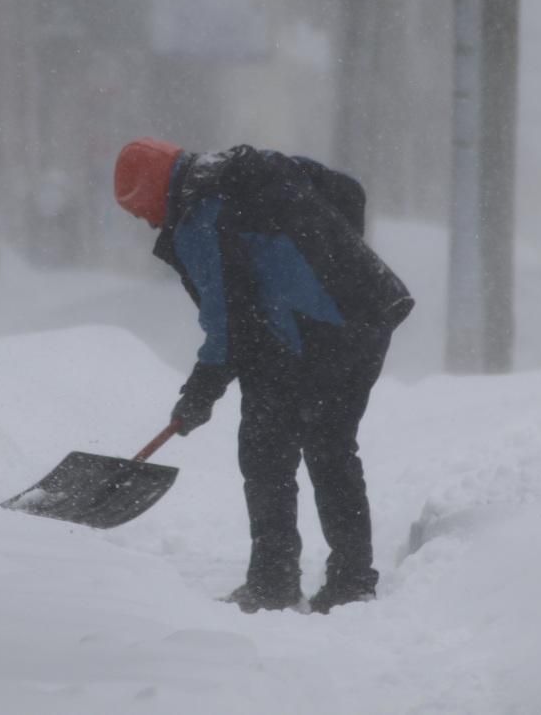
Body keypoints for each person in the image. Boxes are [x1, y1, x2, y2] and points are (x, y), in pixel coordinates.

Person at [113, 138, 414, 614]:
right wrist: (330, 271)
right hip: (366, 313)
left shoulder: (201, 216)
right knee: (331, 449)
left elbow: (224, 321)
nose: (146, 223)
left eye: (140, 212)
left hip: (313, 335)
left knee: (267, 454)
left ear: (152, 194)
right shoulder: (246, 174)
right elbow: (346, 190)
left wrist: (199, 393)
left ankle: (274, 583)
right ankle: (352, 581)